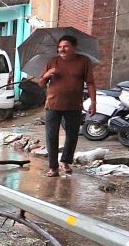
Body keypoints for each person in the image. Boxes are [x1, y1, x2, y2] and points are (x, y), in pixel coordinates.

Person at [37, 34, 97, 177]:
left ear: (74, 48)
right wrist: (47, 75)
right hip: (53, 104)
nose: (62, 49)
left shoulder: (83, 61)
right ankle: (53, 167)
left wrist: (93, 101)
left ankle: (65, 161)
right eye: (59, 47)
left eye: (65, 46)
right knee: (52, 136)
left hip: (74, 105)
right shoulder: (52, 62)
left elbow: (90, 82)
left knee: (72, 135)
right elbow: (40, 84)